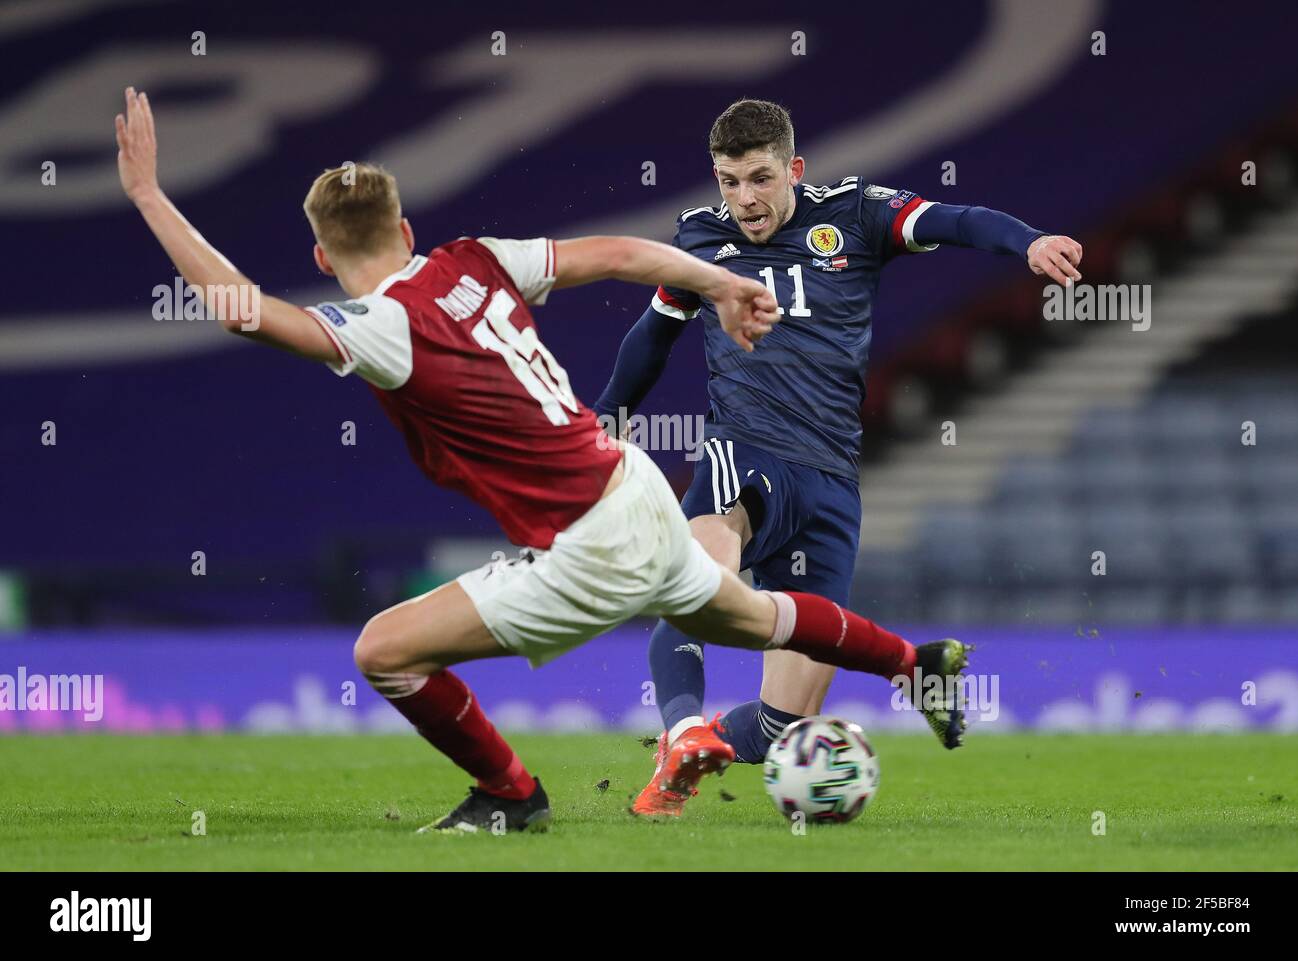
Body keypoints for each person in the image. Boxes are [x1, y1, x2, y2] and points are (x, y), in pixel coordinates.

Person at [115, 86, 966, 832]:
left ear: (321, 258)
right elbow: (624, 255)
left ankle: (509, 794)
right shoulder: (474, 261)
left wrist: (151, 197)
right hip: (632, 483)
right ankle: (909, 661)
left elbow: (242, 312)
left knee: (384, 650)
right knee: (757, 616)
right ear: (407, 229)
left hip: (588, 539)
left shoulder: (379, 323)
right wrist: (717, 281)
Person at [596, 99, 1080, 816]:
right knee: (693, 582)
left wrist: (1028, 242)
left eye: (759, 178)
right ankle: (682, 727)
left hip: (831, 480)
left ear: (793, 168)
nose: (745, 199)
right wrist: (605, 423)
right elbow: (651, 336)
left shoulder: (855, 213)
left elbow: (956, 220)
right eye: (729, 181)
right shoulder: (700, 239)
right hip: (745, 446)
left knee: (778, 725)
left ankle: (696, 750)